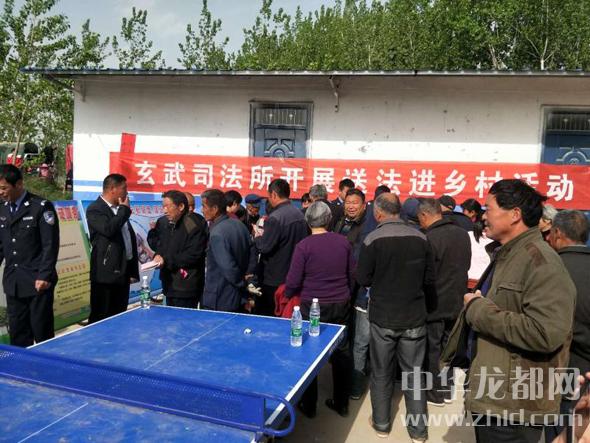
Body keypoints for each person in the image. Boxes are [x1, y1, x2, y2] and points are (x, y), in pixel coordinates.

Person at [441, 179, 576, 443]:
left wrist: (477, 310)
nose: (483, 216)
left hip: (514, 408)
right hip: (496, 397)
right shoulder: (509, 255)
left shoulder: (541, 263)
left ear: (515, 214)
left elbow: (546, 333)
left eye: (489, 209)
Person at [357, 193, 437, 441]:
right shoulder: (421, 238)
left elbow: (363, 278)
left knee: (381, 372)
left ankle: (381, 424)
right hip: (414, 316)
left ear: (378, 213)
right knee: (414, 375)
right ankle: (418, 431)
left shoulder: (372, 239)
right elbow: (430, 279)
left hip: (383, 317)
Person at [285, 201, 355, 418]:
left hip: (312, 305)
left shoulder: (304, 246)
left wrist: (288, 293)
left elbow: (293, 281)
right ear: (329, 220)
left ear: (308, 221)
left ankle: (309, 405)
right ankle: (342, 403)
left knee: (309, 353)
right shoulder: (343, 242)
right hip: (340, 303)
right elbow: (352, 274)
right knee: (342, 352)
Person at [416, 198, 471, 406]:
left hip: (435, 302)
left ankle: (435, 394)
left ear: (424, 215)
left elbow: (425, 275)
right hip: (457, 300)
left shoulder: (429, 238)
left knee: (433, 349)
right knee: (450, 348)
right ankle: (447, 390)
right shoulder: (462, 234)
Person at [0, 164, 59, 347]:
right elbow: (1, 245)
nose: (0, 192)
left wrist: (44, 275)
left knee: (42, 332)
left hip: (37, 282)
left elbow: (50, 245)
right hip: (14, 282)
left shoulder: (40, 207)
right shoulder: (2, 209)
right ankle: (20, 365)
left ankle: (45, 365)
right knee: (18, 333)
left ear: (18, 184)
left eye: (3, 188)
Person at [545, 210, 590, 442]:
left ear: (558, 233)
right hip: (583, 371)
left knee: (561, 431)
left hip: (560, 367)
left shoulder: (550, 268)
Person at [333, 188, 371, 398]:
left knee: (358, 340)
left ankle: (355, 383)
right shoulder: (341, 222)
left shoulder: (366, 227)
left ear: (364, 205)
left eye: (355, 203)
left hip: (357, 290)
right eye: (348, 202)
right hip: (340, 287)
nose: (351, 206)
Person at [87, 174, 139, 323]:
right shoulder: (96, 209)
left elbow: (128, 241)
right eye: (124, 188)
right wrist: (124, 210)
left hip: (122, 272)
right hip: (105, 274)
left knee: (119, 315)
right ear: (112, 189)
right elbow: (108, 229)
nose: (127, 192)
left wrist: (132, 270)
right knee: (102, 316)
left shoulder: (120, 210)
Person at [254, 179, 308, 316]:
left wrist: (257, 236)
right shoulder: (299, 215)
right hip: (294, 274)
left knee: (271, 315)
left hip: (274, 278)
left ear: (273, 194)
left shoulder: (275, 218)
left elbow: (264, 247)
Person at [148, 191, 207, 308]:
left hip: (186, 286)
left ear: (181, 206)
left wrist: (166, 260)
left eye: (168, 206)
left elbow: (193, 255)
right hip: (169, 283)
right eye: (163, 207)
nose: (165, 211)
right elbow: (161, 245)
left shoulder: (193, 225)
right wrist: (158, 256)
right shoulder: (164, 222)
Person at [201, 189, 252, 312]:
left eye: (204, 206)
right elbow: (251, 253)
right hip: (238, 296)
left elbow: (228, 267)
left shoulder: (217, 233)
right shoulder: (240, 225)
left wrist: (242, 283)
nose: (202, 210)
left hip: (220, 297)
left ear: (215, 209)